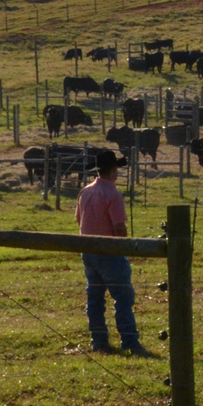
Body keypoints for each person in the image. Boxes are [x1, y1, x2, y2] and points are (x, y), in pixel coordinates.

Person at [77, 150, 142, 355]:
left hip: (88, 250)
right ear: (113, 170)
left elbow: (79, 220)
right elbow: (119, 228)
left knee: (95, 298)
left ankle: (99, 341)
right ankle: (129, 342)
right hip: (109, 251)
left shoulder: (85, 192)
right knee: (123, 297)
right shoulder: (113, 194)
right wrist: (124, 248)